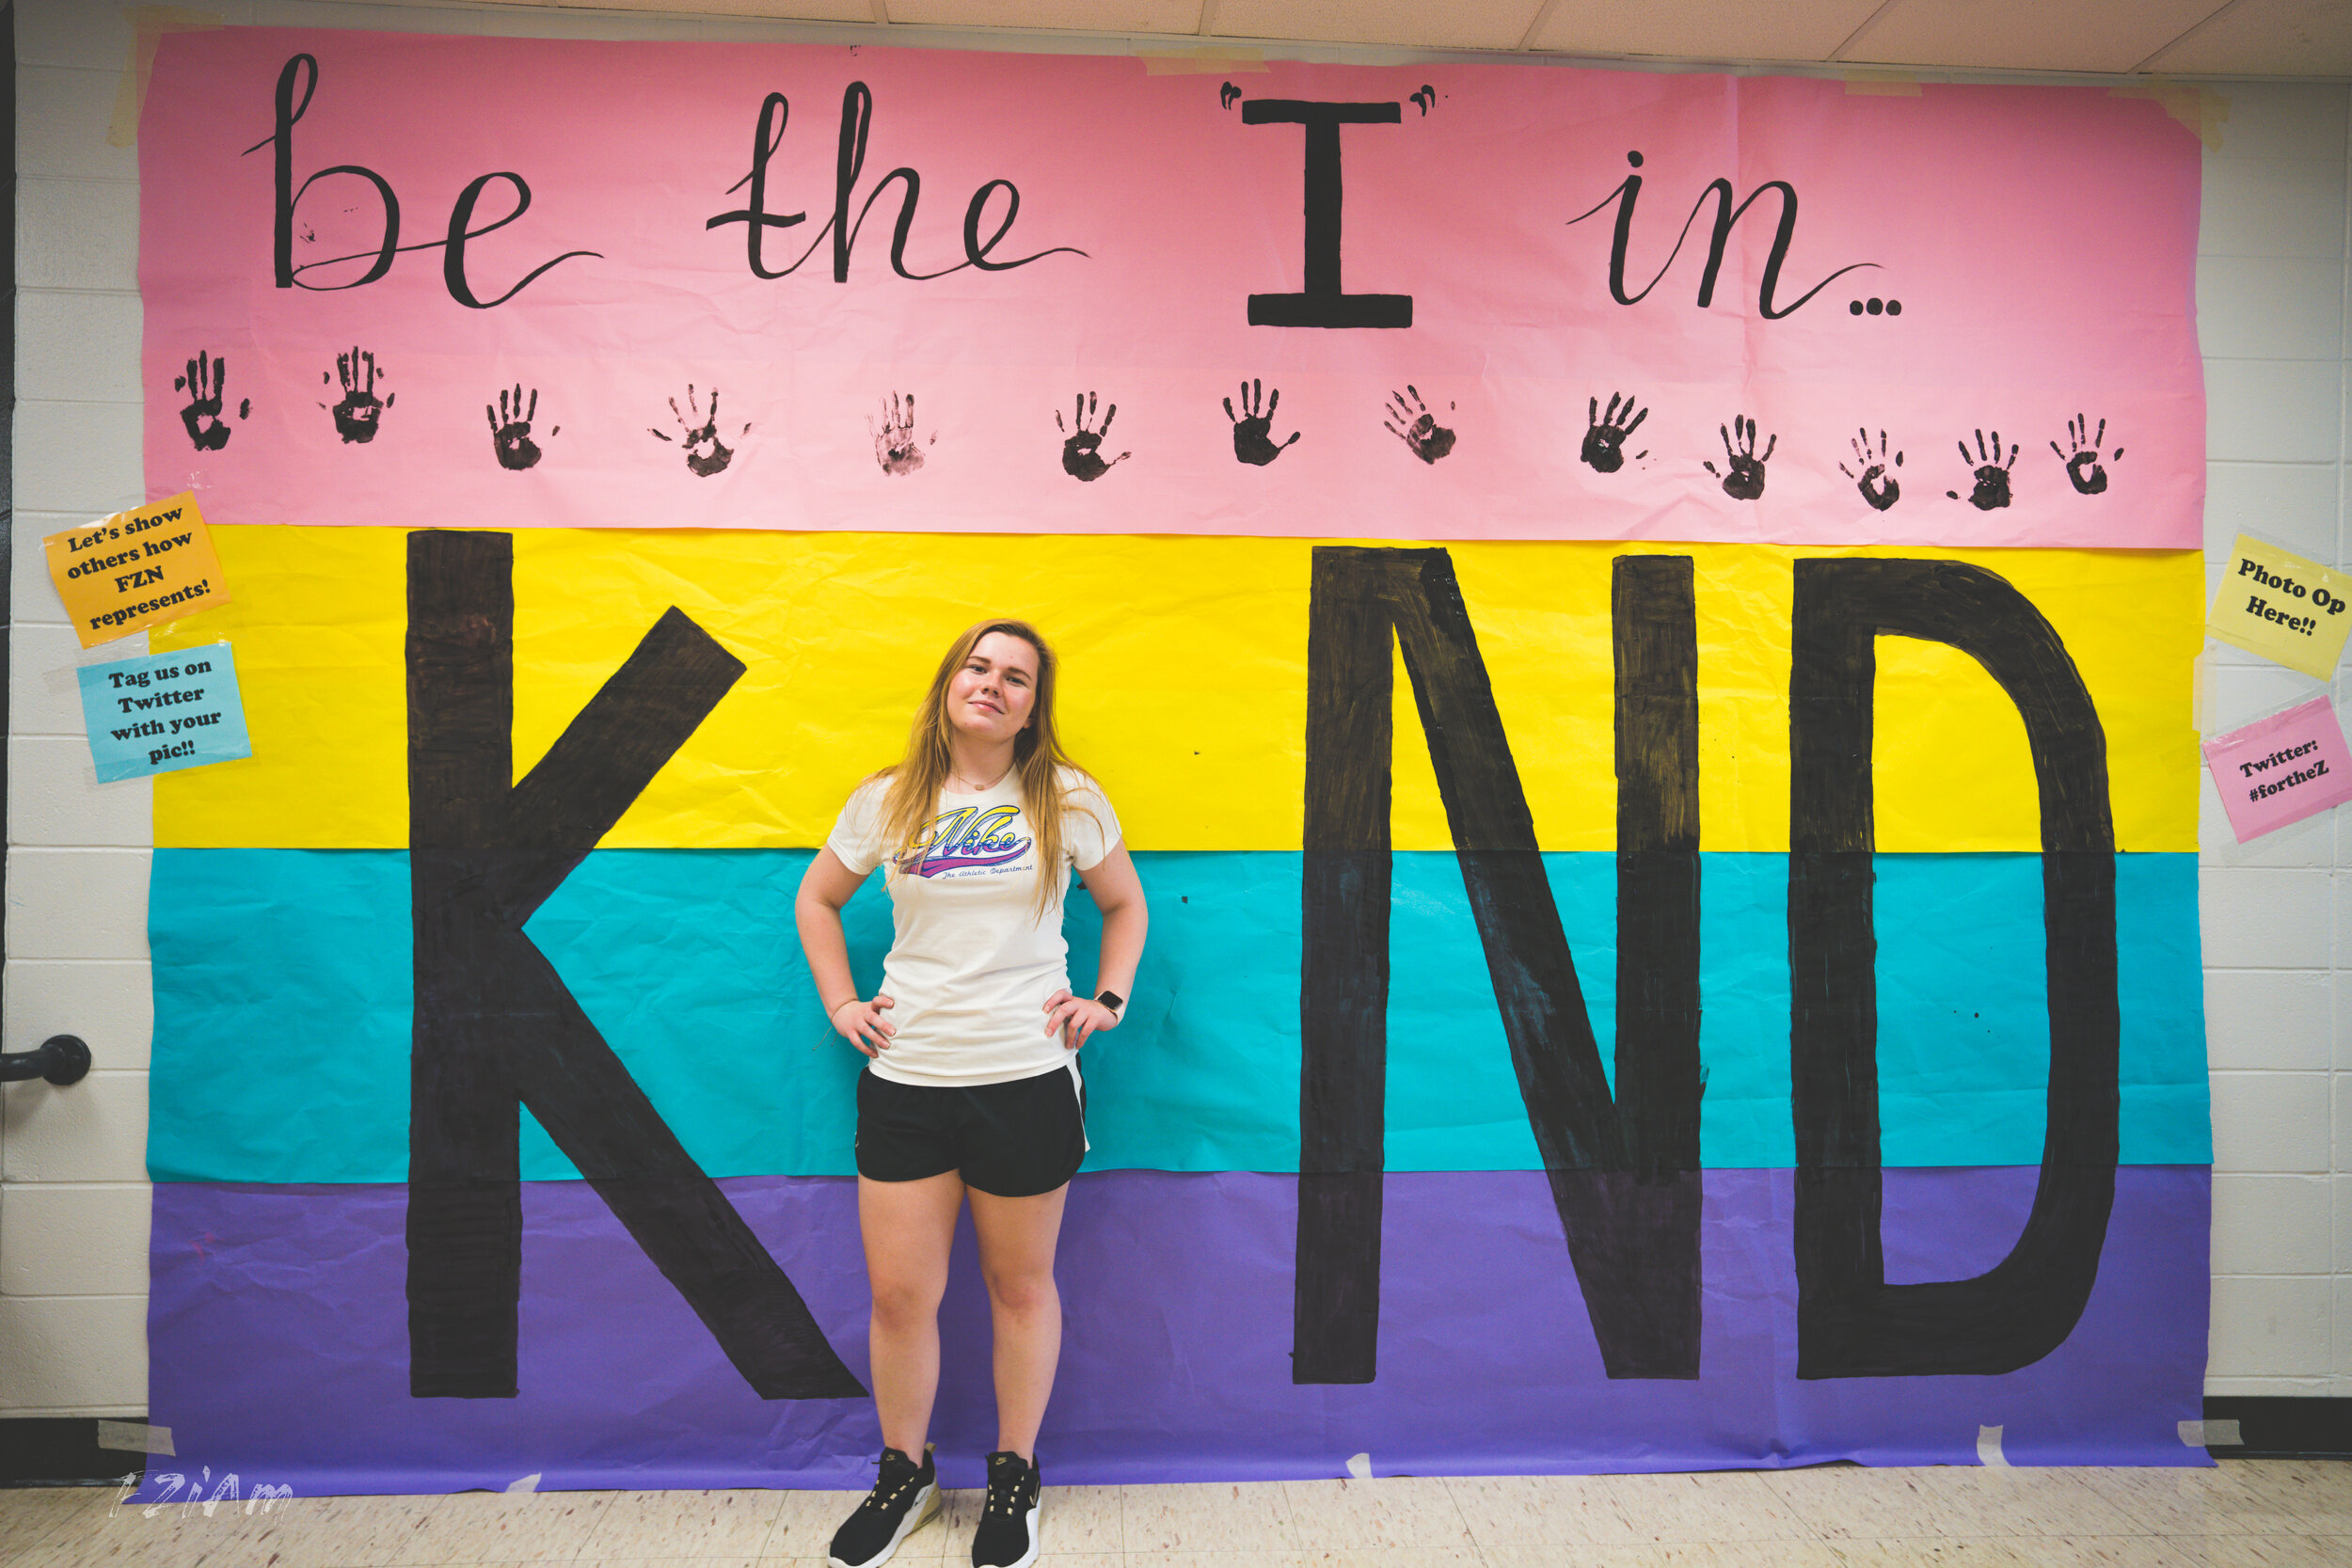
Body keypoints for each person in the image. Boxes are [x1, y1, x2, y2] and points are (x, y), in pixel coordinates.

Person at [796, 619, 1147, 1568]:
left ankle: (1014, 1474)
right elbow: (817, 897)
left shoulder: (1066, 798)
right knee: (901, 1295)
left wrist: (1107, 997)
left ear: (1035, 704)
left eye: (1017, 677)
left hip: (1027, 1081)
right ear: (949, 682)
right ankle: (903, 1474)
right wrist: (841, 1000)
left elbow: (1124, 902)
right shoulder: (889, 797)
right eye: (977, 666)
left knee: (1019, 1286)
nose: (992, 684)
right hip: (907, 1081)